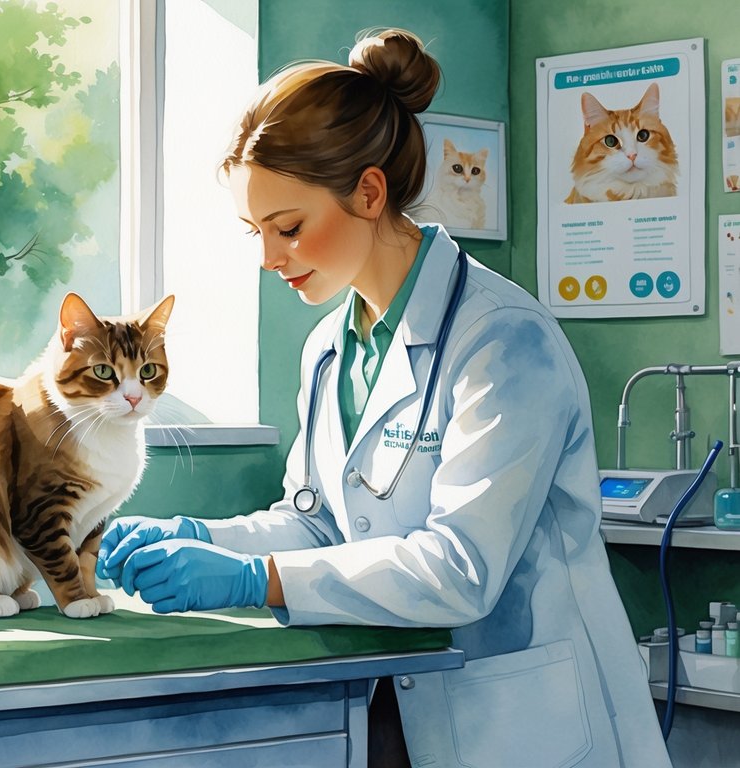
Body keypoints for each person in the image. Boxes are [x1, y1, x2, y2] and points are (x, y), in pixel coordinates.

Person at [96, 29, 671, 768]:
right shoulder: (333, 347)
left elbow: (459, 568)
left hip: (526, 722)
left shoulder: (502, 342)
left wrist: (251, 580)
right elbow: (317, 527)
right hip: (398, 710)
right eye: (255, 232)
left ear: (368, 192)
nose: (268, 259)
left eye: (288, 228)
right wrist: (206, 538)